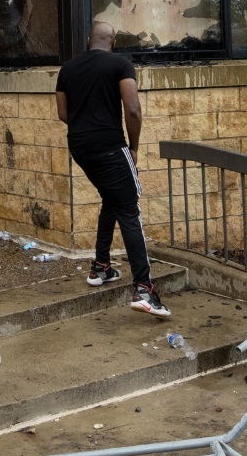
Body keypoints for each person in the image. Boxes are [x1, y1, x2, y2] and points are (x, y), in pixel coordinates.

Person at [55, 22, 170, 318]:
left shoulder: (68, 68)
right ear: (113, 41)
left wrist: (86, 131)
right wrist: (133, 147)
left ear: (88, 39)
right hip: (110, 146)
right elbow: (132, 109)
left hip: (80, 147)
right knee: (129, 208)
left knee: (111, 199)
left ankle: (101, 267)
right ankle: (144, 289)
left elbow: (63, 113)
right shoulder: (120, 64)